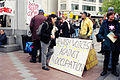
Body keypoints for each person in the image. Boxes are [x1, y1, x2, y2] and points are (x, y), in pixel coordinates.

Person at [97, 11, 120, 77]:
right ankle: (104, 70)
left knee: (114, 58)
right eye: (111, 15)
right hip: (107, 43)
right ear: (108, 16)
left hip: (115, 43)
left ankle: (114, 71)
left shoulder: (117, 23)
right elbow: (100, 33)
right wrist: (103, 39)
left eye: (113, 15)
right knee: (106, 58)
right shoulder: (104, 23)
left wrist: (117, 36)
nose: (113, 16)